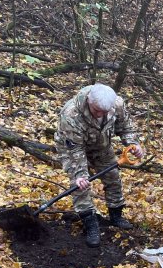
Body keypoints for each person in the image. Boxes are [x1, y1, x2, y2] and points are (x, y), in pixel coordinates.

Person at [55, 83, 144, 247]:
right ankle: (91, 224)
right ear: (89, 100)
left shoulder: (116, 104)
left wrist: (133, 144)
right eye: (96, 110)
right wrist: (79, 175)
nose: (100, 115)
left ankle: (116, 215)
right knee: (80, 186)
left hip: (101, 145)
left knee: (113, 178)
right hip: (72, 148)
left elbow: (125, 127)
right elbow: (76, 150)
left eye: (104, 112)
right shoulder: (71, 115)